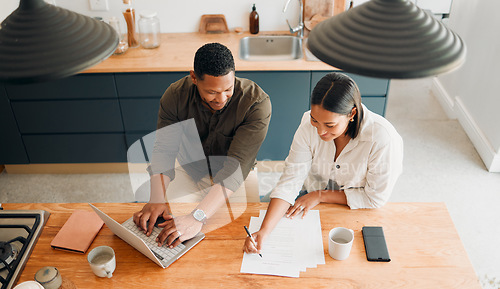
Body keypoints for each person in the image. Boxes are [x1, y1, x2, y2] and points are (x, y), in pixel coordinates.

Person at [243, 72, 403, 255]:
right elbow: (290, 181)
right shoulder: (308, 125)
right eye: (314, 120)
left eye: (330, 125)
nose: (320, 131)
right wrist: (264, 231)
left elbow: (375, 198)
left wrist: (320, 196)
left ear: (352, 114)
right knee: (259, 213)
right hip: (305, 192)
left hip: (355, 204)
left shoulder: (382, 139)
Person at [133, 42, 271, 249]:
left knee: (240, 240)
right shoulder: (175, 96)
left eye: (228, 89)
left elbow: (236, 167)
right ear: (194, 78)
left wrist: (198, 216)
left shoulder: (256, 104)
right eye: (212, 92)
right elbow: (164, 150)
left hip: (236, 180)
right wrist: (156, 198)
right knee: (178, 240)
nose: (222, 98)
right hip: (190, 172)